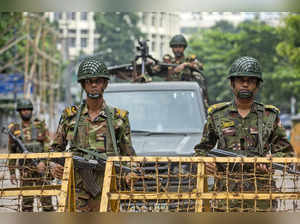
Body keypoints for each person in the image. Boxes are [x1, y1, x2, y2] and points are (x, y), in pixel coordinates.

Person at [194, 56, 294, 212]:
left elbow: (287, 153)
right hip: (225, 197)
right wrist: (206, 161)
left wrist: (271, 160)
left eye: (251, 80)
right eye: (241, 80)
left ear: (257, 85)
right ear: (232, 83)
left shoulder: (269, 116)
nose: (245, 84)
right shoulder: (217, 115)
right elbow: (201, 150)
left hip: (261, 197)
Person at [50, 57, 136, 212]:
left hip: (108, 190)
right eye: (89, 81)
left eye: (98, 81)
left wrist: (132, 173)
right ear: (83, 85)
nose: (94, 85)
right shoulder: (70, 117)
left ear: (105, 84)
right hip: (76, 192)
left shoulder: (118, 118)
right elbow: (54, 150)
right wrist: (53, 165)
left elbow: (129, 154)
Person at [8, 98, 54, 212]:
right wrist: (12, 173)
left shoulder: (40, 126)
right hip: (25, 169)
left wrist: (44, 162)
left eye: (28, 109)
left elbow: (48, 146)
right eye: (23, 110)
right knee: (27, 203)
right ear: (19, 112)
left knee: (46, 200)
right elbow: (12, 152)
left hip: (42, 168)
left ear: (31, 111)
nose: (26, 112)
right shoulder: (14, 129)